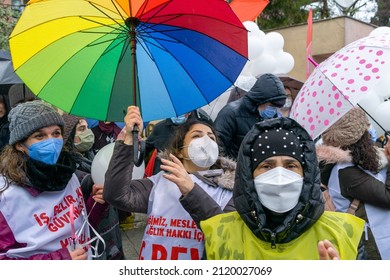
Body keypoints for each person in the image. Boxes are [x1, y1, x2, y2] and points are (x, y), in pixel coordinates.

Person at [196, 117, 365, 260]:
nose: (279, 175)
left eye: (290, 165)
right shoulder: (220, 234)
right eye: (267, 166)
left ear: (306, 174)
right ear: (249, 175)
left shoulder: (344, 234)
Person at [103, 106, 236, 260]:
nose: (206, 141)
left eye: (211, 138)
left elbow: (227, 235)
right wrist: (127, 142)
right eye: (197, 136)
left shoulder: (229, 190)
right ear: (180, 150)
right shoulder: (159, 182)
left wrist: (191, 191)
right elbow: (115, 195)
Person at [0, 100, 107, 260]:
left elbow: (79, 227)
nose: (51, 141)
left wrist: (96, 204)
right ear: (20, 145)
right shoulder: (6, 194)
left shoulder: (67, 174)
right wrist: (60, 260)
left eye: (56, 133)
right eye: (39, 136)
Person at [316, 108, 390, 260]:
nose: (370, 132)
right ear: (360, 138)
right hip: (372, 249)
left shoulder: (361, 159)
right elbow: (387, 197)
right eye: (367, 128)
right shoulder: (345, 172)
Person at [62, 114, 126, 260]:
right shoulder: (71, 170)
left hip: (110, 230)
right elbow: (99, 179)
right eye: (81, 129)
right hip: (92, 239)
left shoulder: (92, 156)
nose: (88, 133)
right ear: (70, 136)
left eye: (87, 128)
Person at [214, 73, 286, 160]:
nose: (274, 110)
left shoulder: (272, 119)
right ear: (260, 99)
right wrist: (229, 169)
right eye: (272, 106)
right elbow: (218, 146)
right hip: (233, 169)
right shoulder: (231, 112)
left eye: (276, 108)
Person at [145, 109, 213, 176]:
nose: (179, 114)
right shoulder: (159, 127)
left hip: (190, 174)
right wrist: (139, 145)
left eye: (185, 111)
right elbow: (145, 149)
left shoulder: (198, 128)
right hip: (163, 173)